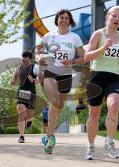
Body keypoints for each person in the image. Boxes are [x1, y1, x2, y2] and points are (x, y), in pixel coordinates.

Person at [83, 6, 119, 160]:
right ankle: (90, 146)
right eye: (114, 16)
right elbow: (86, 57)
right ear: (107, 17)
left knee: (114, 105)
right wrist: (102, 48)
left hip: (113, 76)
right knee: (94, 115)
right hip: (96, 77)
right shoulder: (98, 34)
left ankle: (110, 142)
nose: (117, 19)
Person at [35, 9, 85, 154]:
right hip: (50, 71)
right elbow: (37, 49)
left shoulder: (75, 37)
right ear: (57, 20)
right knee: (55, 102)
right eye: (61, 17)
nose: (63, 20)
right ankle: (50, 138)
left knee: (58, 106)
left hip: (66, 74)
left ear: (70, 21)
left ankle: (49, 136)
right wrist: (39, 58)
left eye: (66, 18)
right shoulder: (49, 36)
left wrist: (73, 60)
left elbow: (83, 57)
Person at [10, 50, 38, 143]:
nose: (24, 62)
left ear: (30, 59)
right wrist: (12, 82)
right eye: (23, 60)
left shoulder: (35, 68)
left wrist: (33, 80)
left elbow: (40, 80)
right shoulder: (19, 68)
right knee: (21, 111)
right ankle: (21, 136)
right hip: (21, 92)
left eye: (26, 60)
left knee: (29, 115)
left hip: (31, 93)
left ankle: (29, 119)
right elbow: (14, 78)